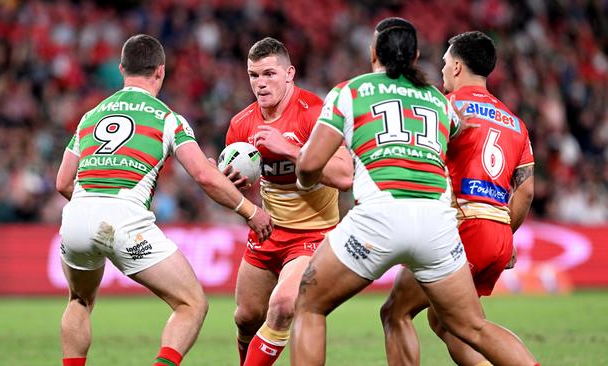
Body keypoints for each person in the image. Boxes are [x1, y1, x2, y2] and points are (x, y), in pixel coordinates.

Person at [291, 18, 539, 366]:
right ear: (416, 55)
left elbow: (308, 166)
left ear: (373, 52)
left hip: (380, 218)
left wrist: (307, 179)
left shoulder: (351, 91)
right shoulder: (440, 102)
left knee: (309, 305)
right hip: (439, 226)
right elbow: (480, 156)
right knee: (472, 326)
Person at [55, 34, 272, 366]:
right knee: (192, 304)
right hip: (124, 219)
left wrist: (93, 207)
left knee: (79, 301)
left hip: (76, 216)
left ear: (122, 69)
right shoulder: (167, 117)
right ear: (160, 71)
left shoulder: (90, 117)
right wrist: (249, 210)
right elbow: (203, 175)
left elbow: (62, 182)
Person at [379, 30, 535, 366]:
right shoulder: (515, 123)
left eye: (446, 63)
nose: (442, 70)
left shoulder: (445, 107)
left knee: (396, 312)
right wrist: (506, 233)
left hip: (461, 228)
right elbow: (526, 190)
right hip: (497, 232)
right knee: (447, 322)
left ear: (459, 67)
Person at [221, 37, 353, 366]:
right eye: (254, 75)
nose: (261, 84)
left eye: (269, 74)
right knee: (246, 318)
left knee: (282, 306)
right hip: (269, 232)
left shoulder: (315, 113)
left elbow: (344, 176)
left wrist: (291, 150)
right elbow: (239, 188)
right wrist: (230, 182)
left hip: (314, 235)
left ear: (289, 73)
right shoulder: (241, 124)